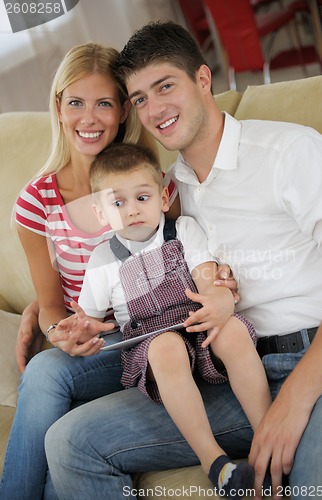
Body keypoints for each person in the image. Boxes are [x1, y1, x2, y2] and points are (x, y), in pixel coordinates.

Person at [44, 21, 322, 500]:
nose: (154, 110)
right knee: (71, 442)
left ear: (203, 79)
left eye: (165, 86)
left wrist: (296, 399)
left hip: (317, 363)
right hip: (233, 371)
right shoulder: (163, 195)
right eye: (139, 98)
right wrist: (55, 309)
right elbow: (133, 278)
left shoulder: (290, 152)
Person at [0, 41, 180, 500]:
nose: (89, 118)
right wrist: (62, 331)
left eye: (104, 103)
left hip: (153, 337)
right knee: (48, 369)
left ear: (123, 110)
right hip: (94, 346)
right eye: (76, 102)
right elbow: (51, 305)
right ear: (58, 108)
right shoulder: (36, 202)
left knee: (44, 374)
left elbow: (176, 259)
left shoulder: (148, 181)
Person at [57, 142, 271, 498]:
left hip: (197, 324)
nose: (132, 210)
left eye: (142, 197)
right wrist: (84, 328)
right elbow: (91, 319)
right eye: (118, 202)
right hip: (153, 345)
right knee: (166, 347)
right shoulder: (101, 260)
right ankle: (215, 463)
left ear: (163, 196)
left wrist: (216, 298)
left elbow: (206, 280)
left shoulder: (183, 231)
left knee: (230, 329)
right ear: (99, 213)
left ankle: (269, 437)